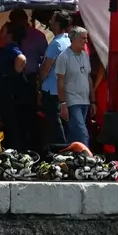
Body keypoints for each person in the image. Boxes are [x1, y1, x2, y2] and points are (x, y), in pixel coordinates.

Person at [56, 26, 95, 147]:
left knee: (74, 134)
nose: (86, 41)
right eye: (82, 38)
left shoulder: (85, 55)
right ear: (73, 39)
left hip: (85, 100)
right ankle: (88, 159)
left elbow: (88, 78)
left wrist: (93, 101)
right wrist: (63, 103)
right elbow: (60, 81)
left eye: (86, 38)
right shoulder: (64, 57)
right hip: (71, 100)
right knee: (82, 132)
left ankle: (70, 158)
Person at [0, 23, 27, 148]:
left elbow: (21, 58)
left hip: (4, 91)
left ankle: (12, 147)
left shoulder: (10, 47)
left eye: (3, 30)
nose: (0, 32)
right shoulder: (4, 47)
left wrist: (16, 72)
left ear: (9, 34)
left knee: (7, 121)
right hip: (3, 91)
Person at [38, 11, 72, 149]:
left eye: (52, 19)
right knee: (62, 122)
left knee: (54, 124)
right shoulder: (68, 41)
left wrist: (38, 85)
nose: (49, 22)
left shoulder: (56, 44)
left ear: (57, 23)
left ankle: (60, 151)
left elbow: (45, 69)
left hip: (51, 91)